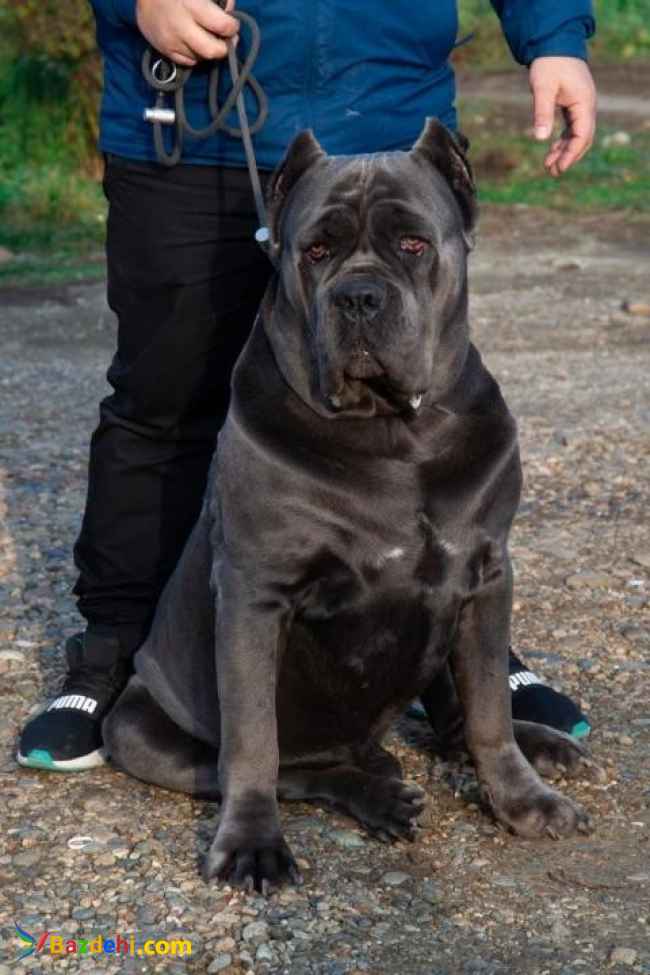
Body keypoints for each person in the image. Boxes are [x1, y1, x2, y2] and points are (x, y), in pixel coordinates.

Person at [18, 0, 597, 771]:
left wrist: (553, 36)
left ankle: (455, 665)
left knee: (416, 405)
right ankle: (114, 651)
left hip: (386, 107)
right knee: (161, 399)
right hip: (192, 121)